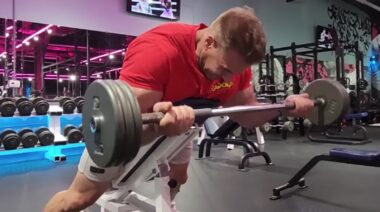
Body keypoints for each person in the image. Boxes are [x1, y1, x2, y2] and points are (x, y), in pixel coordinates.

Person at [44, 6, 314, 212]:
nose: (229, 80)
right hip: (128, 133)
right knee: (79, 199)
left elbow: (246, 114)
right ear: (209, 42)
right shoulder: (159, 52)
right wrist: (160, 125)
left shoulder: (234, 66)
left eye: (237, 73)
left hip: (183, 126)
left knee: (179, 176)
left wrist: (286, 108)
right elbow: (127, 130)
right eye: (225, 70)